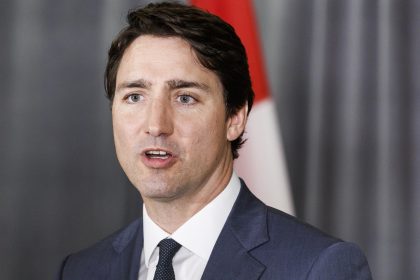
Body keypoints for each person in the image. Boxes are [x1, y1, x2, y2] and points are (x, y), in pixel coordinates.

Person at [56, 2, 372, 279]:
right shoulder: (81, 270)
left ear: (234, 117)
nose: (155, 125)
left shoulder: (318, 268)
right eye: (135, 96)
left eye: (185, 98)